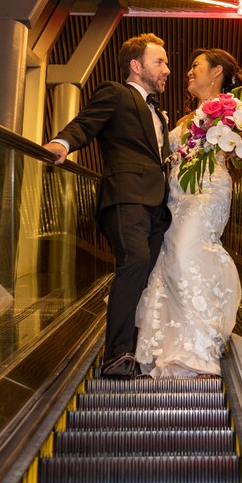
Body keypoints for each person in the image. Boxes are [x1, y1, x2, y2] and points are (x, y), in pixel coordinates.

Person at [43, 33, 173, 379]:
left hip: (157, 206)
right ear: (136, 65)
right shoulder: (115, 93)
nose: (167, 69)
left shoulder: (159, 114)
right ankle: (117, 353)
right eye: (159, 62)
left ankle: (139, 345)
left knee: (147, 273)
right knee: (135, 261)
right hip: (124, 196)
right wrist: (62, 143)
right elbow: (85, 123)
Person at [133, 49, 242, 378]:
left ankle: (199, 350)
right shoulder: (182, 121)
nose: (188, 72)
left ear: (216, 72)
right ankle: (175, 346)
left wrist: (233, 135)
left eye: (196, 66)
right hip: (177, 199)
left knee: (188, 253)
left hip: (209, 191)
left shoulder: (234, 111)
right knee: (175, 259)